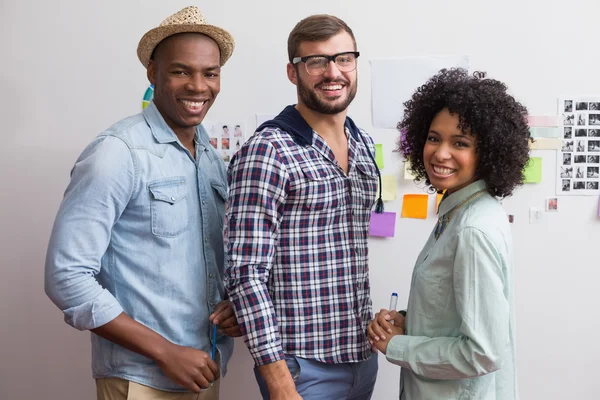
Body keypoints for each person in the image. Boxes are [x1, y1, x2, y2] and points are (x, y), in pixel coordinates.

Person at [45, 6, 240, 400]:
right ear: (153, 73)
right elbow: (66, 277)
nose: (198, 86)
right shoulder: (117, 153)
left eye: (210, 73)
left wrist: (232, 304)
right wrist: (165, 351)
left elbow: (203, 260)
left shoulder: (211, 158)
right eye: (180, 71)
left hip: (207, 369)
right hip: (141, 379)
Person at [225, 14, 383, 400]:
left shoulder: (361, 143)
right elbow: (246, 272)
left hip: (362, 355)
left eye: (343, 58)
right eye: (316, 61)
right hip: (301, 368)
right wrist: (279, 380)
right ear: (293, 73)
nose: (333, 72)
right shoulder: (268, 151)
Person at [368, 68, 529, 400]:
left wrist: (398, 346)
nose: (440, 154)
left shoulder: (472, 229)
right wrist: (407, 323)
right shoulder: (464, 211)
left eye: (460, 143)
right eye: (433, 138)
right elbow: (456, 313)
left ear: (487, 151)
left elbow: (483, 352)